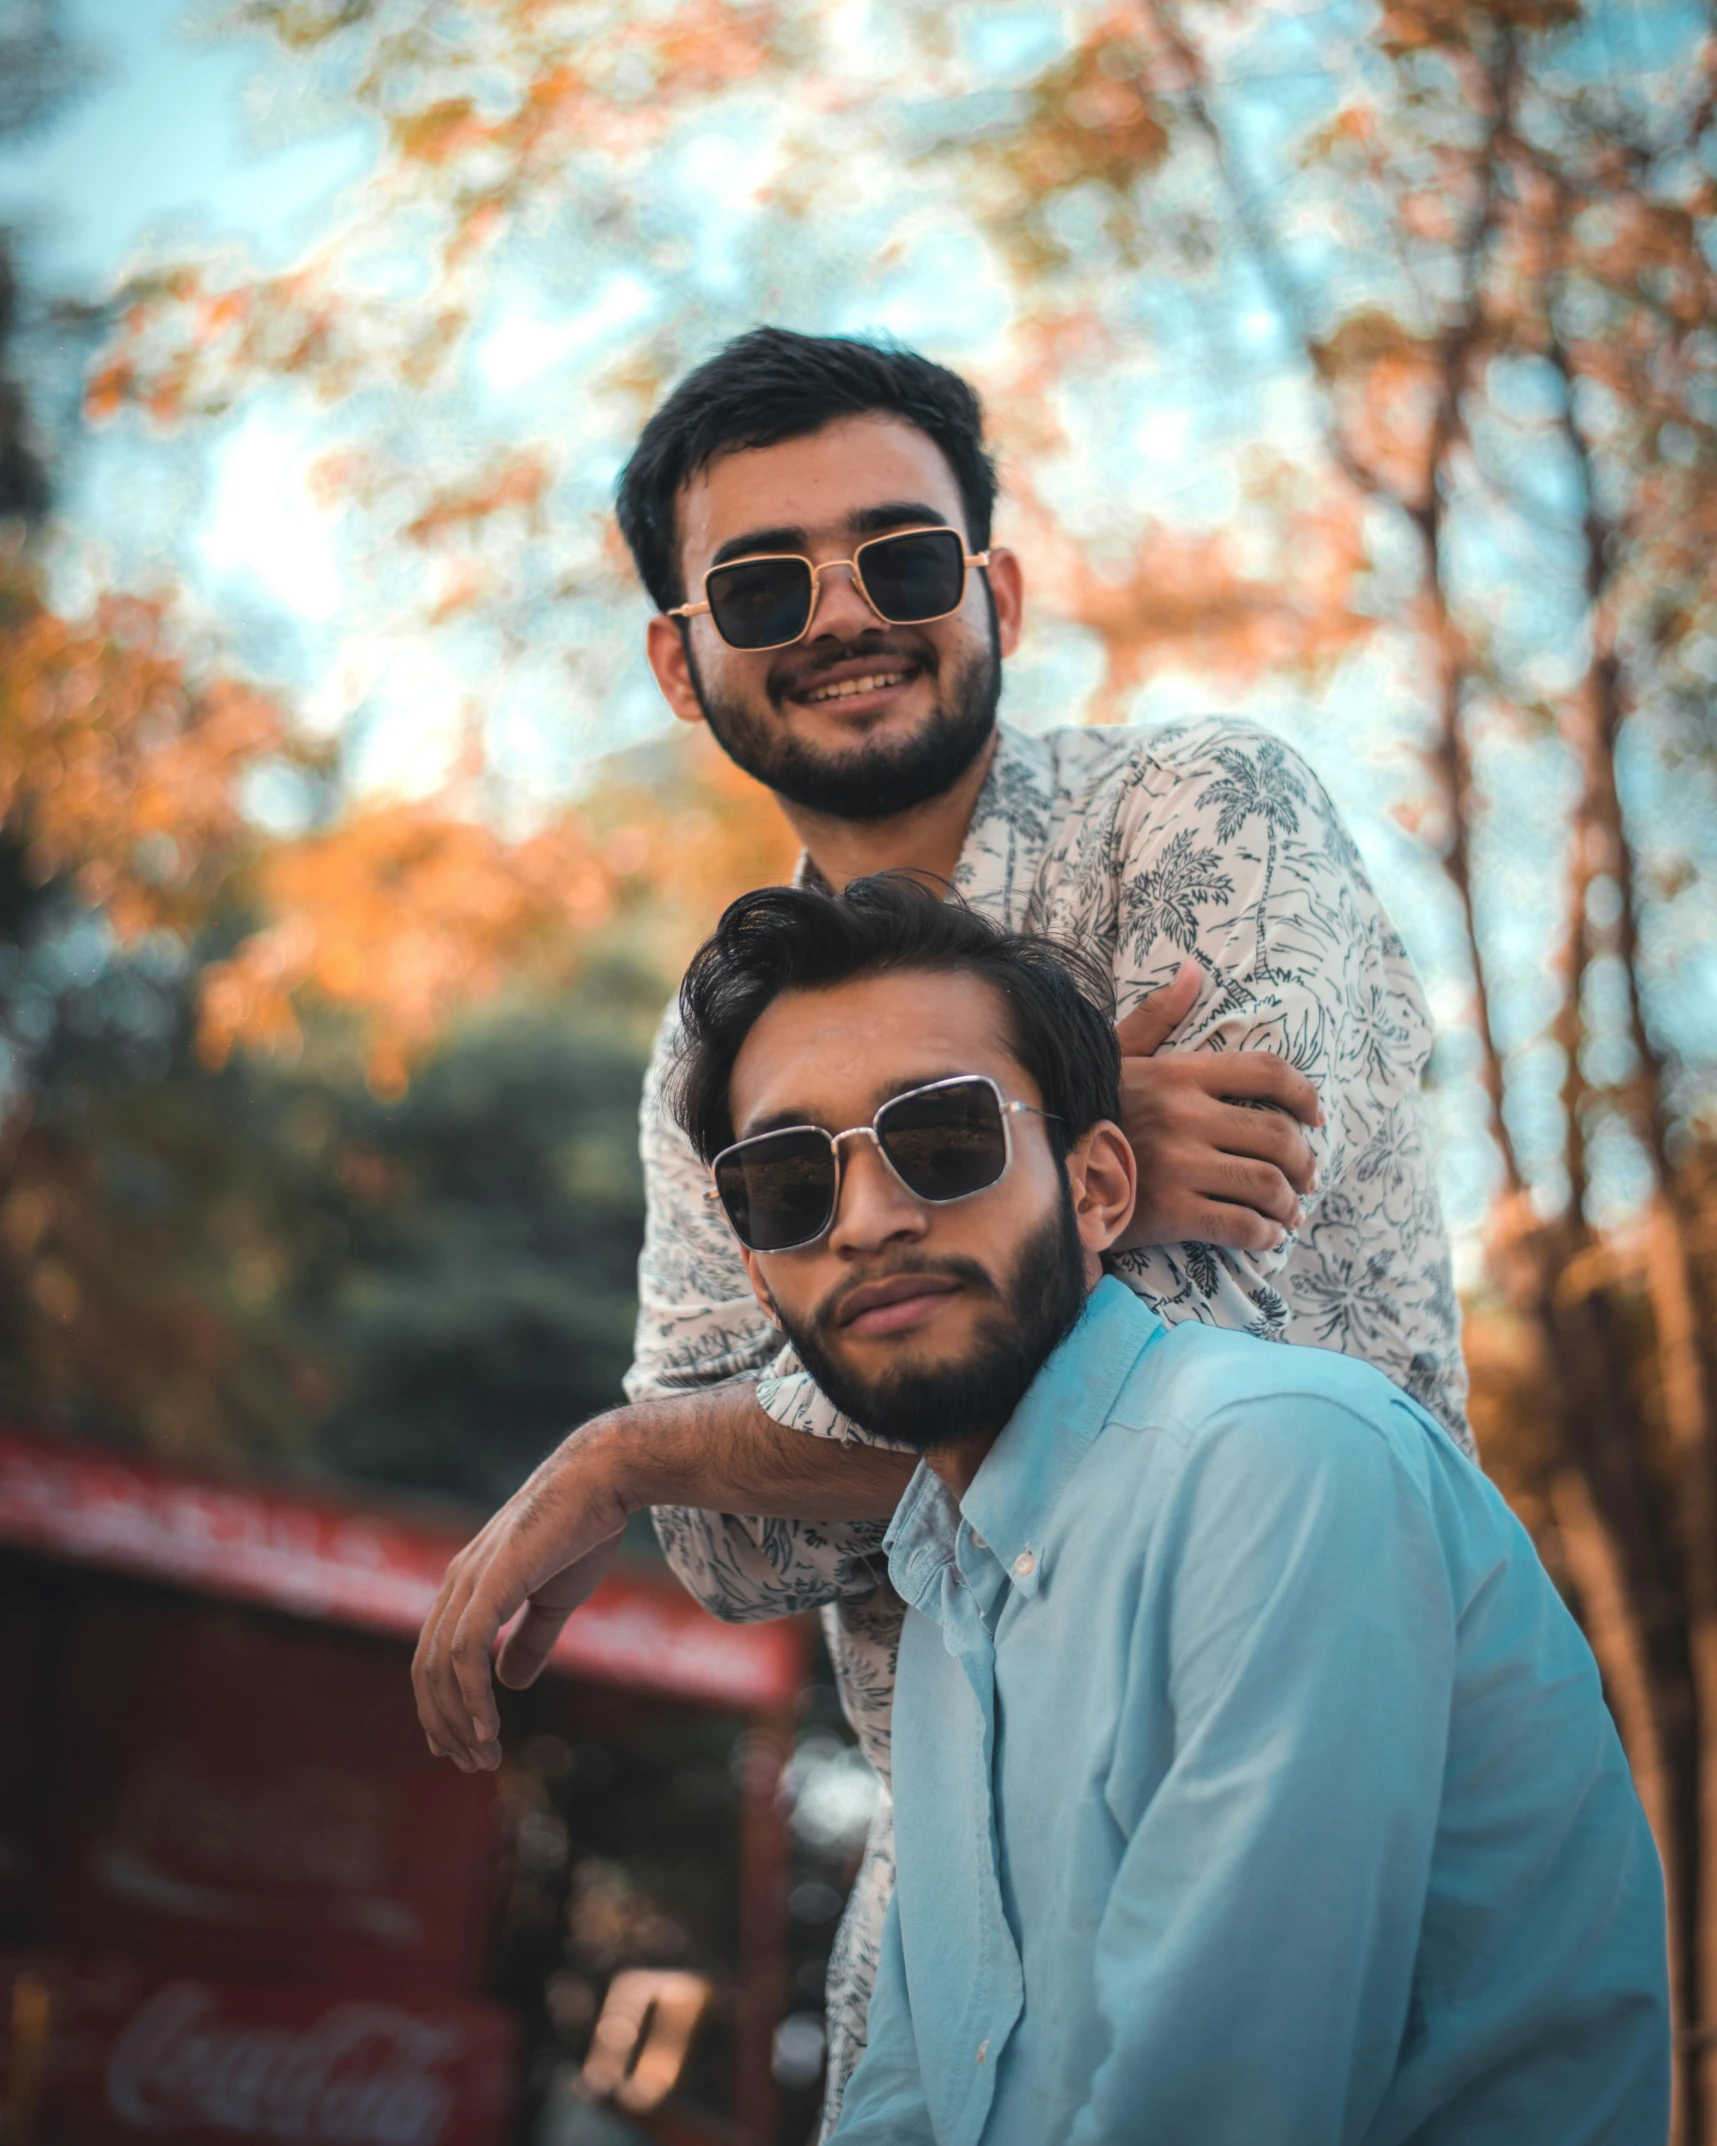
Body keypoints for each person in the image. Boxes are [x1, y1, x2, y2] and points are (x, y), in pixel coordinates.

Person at [413, 327, 1473, 2127]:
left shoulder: (1205, 808)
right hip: (948, 1925)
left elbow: (1182, 1337)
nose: (840, 611)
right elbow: (731, 1553)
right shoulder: (721, 1032)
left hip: (1308, 1786)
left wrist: (655, 1441)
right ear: (681, 661)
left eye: (896, 556)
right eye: (761, 583)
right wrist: (1046, 1167)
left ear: (995, 589)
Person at [675, 872, 1669, 2146]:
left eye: (941, 1138)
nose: (868, 1219)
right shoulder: (940, 1594)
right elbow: (914, 2104)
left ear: (1096, 1190)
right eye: (786, 1182)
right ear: (761, 1275)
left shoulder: (1277, 1464)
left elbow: (1216, 2102)